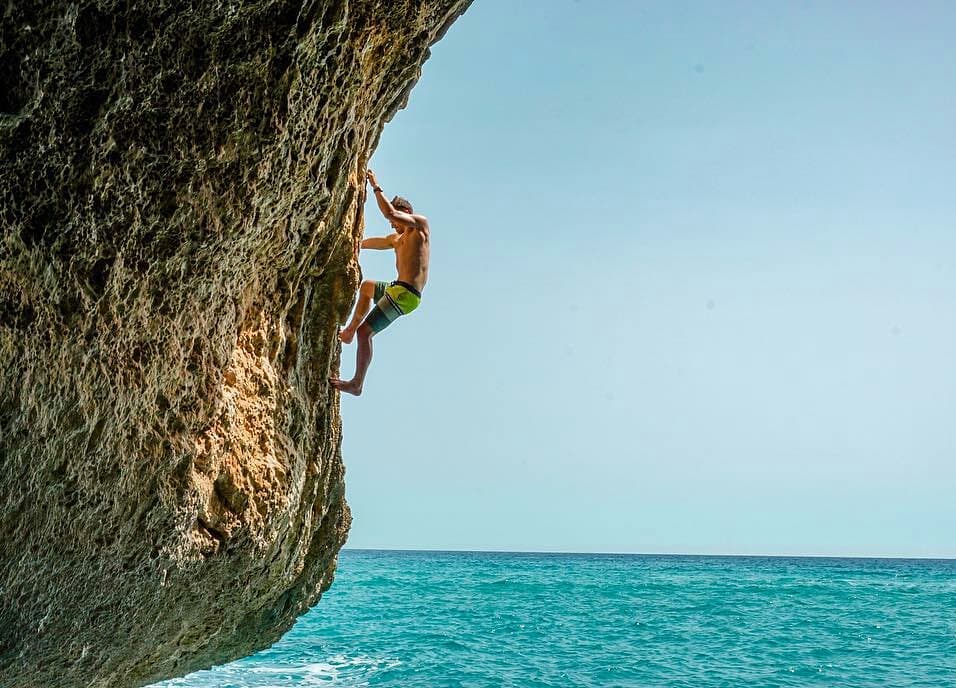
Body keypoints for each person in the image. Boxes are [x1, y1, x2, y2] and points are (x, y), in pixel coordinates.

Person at [331, 169, 430, 396]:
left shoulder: (419, 227)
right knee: (366, 287)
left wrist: (375, 186)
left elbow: (391, 214)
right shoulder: (398, 239)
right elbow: (376, 242)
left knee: (365, 334)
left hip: (407, 295)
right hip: (397, 289)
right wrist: (356, 245)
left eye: (397, 222)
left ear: (406, 212)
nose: (393, 227)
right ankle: (348, 333)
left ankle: (357, 384)